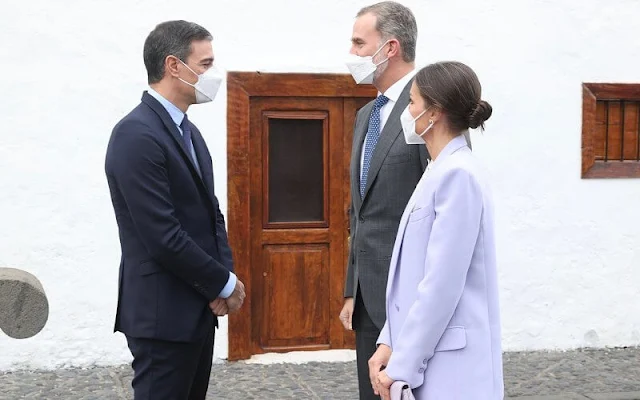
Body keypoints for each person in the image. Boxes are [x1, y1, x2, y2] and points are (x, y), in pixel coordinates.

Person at [104, 20, 245, 400]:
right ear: (173, 65)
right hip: (161, 315)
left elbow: (211, 214)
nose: (211, 75)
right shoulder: (136, 134)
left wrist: (222, 275)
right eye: (205, 64)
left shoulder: (190, 132)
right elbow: (162, 235)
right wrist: (224, 283)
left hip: (197, 309)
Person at [369, 61, 503, 400]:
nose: (406, 110)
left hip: (451, 368)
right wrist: (388, 341)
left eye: (412, 102)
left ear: (434, 113)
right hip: (429, 358)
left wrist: (401, 366)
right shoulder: (437, 169)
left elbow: (441, 284)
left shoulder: (458, 174)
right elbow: (410, 280)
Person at [340, 2, 429, 399]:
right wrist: (351, 288)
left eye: (360, 43)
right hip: (367, 302)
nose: (352, 53)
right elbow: (360, 212)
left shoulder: (428, 110)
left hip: (410, 303)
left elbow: (439, 206)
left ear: (390, 47)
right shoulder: (366, 115)